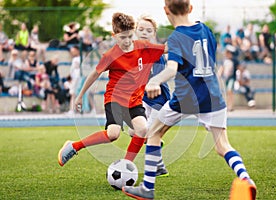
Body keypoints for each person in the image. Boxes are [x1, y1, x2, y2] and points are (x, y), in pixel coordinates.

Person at [122, 1, 256, 200]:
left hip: (186, 98)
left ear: (166, 11)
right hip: (213, 97)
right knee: (223, 147)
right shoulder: (205, 30)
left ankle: (147, 188)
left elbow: (171, 69)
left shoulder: (176, 36)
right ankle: (245, 179)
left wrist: (155, 80)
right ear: (191, 8)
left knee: (153, 133)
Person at [57, 13, 166, 170]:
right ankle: (75, 146)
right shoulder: (110, 56)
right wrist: (80, 96)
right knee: (113, 134)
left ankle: (125, 166)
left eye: (130, 36)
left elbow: (166, 49)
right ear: (114, 36)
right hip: (115, 99)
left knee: (142, 130)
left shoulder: (142, 47)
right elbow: (94, 74)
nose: (127, 41)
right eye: (123, 37)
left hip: (134, 101)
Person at [123, 14, 170, 177]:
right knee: (133, 131)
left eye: (148, 30)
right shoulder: (136, 50)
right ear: (135, 31)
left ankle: (132, 165)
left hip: (158, 100)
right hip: (143, 99)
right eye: (141, 29)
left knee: (146, 133)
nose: (144, 32)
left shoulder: (155, 51)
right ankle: (160, 165)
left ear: (154, 33)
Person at [218, 45, 239, 112]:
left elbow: (239, 68)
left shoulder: (234, 60)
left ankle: (231, 106)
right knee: (227, 92)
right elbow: (222, 68)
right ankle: (227, 105)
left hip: (232, 77)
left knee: (230, 90)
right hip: (226, 78)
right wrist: (219, 75)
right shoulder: (224, 60)